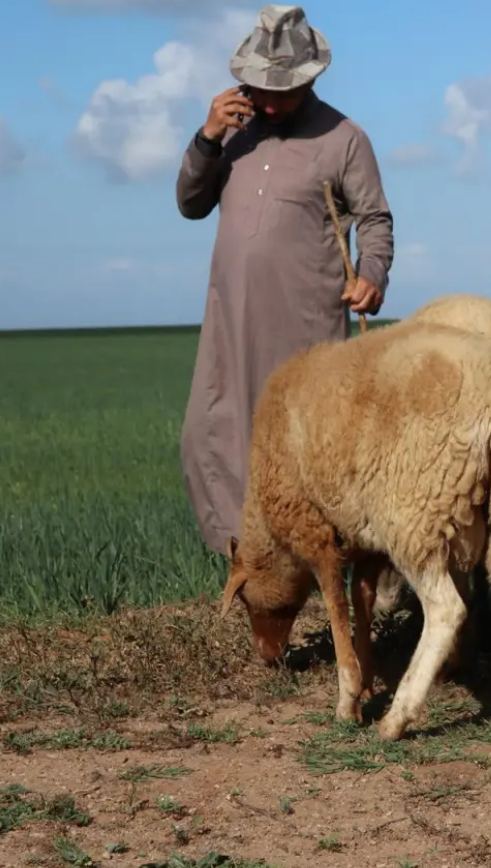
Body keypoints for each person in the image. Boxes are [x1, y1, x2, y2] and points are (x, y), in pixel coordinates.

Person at [175, 4, 394, 556]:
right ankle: (246, 561)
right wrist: (206, 136)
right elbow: (189, 204)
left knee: (305, 448)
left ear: (311, 78)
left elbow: (374, 218)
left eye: (283, 92)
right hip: (231, 324)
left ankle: (316, 566)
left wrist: (372, 273)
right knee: (212, 434)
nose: (269, 102)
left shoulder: (344, 137)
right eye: (260, 89)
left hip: (306, 329)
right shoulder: (231, 134)